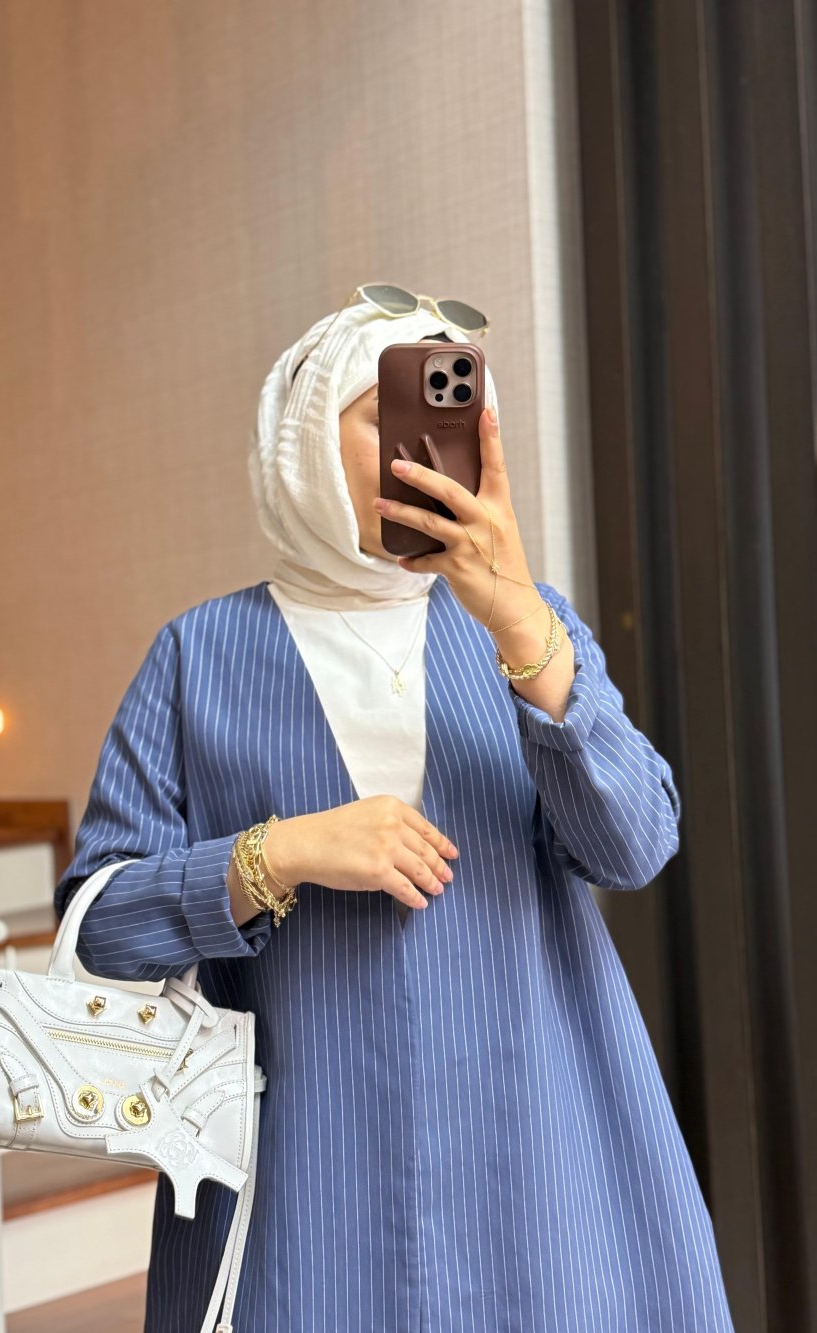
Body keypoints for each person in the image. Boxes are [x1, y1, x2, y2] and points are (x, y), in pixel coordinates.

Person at [54, 294, 735, 1331]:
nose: (427, 450)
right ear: (304, 437)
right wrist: (275, 853)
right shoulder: (199, 655)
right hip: (301, 1183)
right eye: (391, 415)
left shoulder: (527, 628)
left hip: (542, 1157)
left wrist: (521, 625)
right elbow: (98, 930)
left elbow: (635, 844)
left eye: (456, 419)